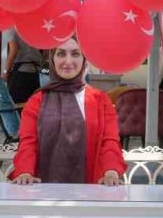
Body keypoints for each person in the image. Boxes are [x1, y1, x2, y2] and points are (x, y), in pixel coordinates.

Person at [9, 36, 126, 185]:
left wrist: (111, 172)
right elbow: (28, 142)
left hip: (92, 188)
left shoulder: (100, 100)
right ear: (52, 59)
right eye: (61, 54)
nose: (68, 61)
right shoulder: (37, 100)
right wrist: (25, 172)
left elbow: (109, 141)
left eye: (76, 54)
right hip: (43, 190)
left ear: (84, 59)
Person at [0, 29, 44, 103]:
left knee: (15, 108)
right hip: (35, 73)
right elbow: (44, 50)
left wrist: (5, 72)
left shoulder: (9, 28)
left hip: (21, 74)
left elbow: (13, 51)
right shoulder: (31, 25)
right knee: (32, 107)